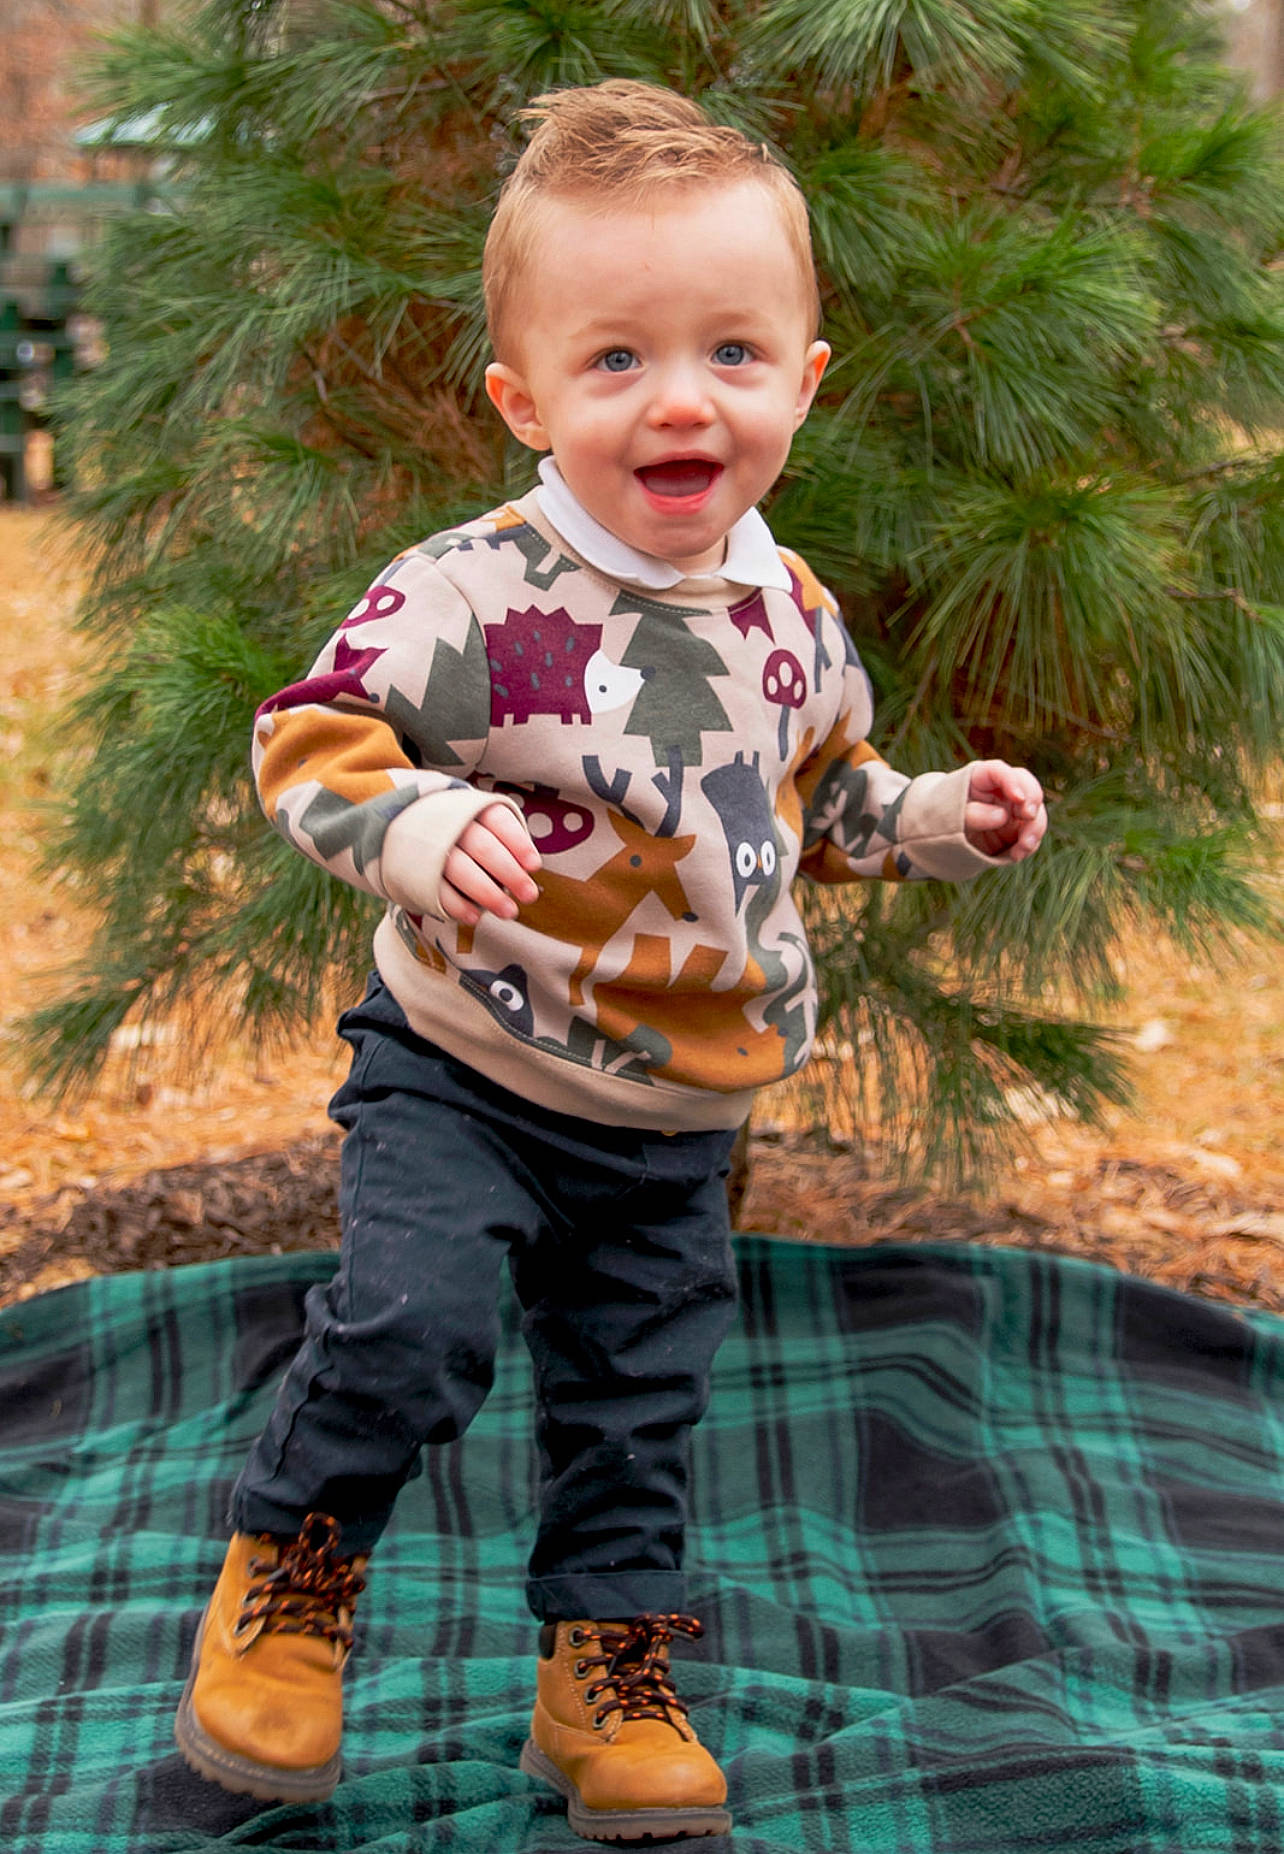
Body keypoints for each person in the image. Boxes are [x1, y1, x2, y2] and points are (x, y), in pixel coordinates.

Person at [173, 79, 1047, 1843]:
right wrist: (415, 825)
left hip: (675, 1110)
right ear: (525, 396)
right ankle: (297, 1558)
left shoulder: (793, 613)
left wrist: (942, 814)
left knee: (637, 1404)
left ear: (805, 376)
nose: (681, 399)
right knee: (413, 1326)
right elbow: (310, 736)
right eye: (617, 359)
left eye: (732, 349)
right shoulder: (476, 593)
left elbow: (828, 803)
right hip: (469, 1061)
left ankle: (603, 1670)